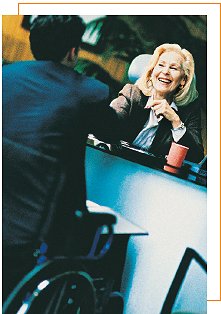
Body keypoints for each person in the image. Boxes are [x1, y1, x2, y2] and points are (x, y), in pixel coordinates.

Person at [2, 15, 120, 299]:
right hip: (35, 234)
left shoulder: (5, 77)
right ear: (73, 51)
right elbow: (114, 130)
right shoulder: (87, 91)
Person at [110, 43, 204, 163]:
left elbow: (195, 157)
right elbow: (110, 124)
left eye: (173, 68)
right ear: (151, 72)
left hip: (155, 176)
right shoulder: (132, 93)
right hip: (116, 164)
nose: (165, 71)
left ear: (183, 80)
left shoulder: (189, 111)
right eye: (161, 65)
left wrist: (176, 121)